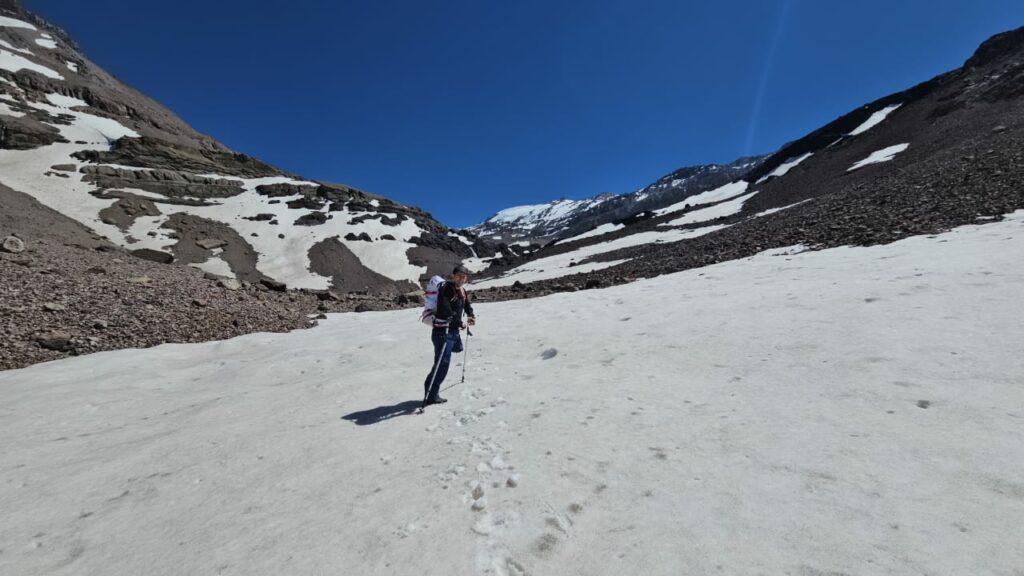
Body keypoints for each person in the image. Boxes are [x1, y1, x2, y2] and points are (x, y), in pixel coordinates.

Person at [423, 264, 476, 406]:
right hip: (442, 332)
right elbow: (445, 308)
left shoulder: (462, 291)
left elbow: (466, 305)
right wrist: (459, 322)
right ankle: (431, 394)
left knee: (442, 361)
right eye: (459, 276)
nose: (461, 278)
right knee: (442, 364)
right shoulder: (446, 289)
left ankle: (430, 389)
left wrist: (471, 315)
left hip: (452, 332)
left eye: (464, 276)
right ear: (453, 276)